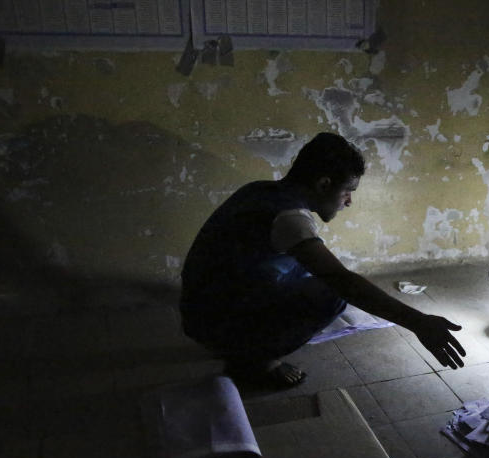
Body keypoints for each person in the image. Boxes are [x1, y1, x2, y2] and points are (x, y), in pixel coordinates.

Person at [179, 132, 466, 386]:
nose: (349, 201)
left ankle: (239, 342)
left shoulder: (260, 189)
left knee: (308, 271)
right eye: (348, 191)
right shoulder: (290, 218)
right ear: (323, 183)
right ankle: (255, 362)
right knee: (331, 293)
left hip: (198, 309)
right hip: (214, 324)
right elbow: (343, 281)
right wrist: (418, 322)